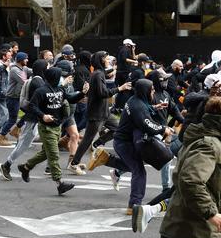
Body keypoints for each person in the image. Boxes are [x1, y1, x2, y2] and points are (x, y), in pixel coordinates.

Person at [156, 97, 221, 238]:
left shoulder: (207, 138)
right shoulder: (209, 144)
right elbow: (191, 181)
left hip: (177, 223)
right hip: (195, 228)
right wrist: (211, 214)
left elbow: (198, 181)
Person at [91, 79, 173, 214]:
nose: (153, 92)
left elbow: (142, 113)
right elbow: (148, 125)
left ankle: (105, 159)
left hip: (127, 142)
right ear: (145, 91)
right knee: (139, 172)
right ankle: (134, 205)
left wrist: (154, 108)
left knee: (134, 167)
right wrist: (164, 129)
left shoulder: (136, 101)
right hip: (124, 143)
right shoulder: (138, 106)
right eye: (151, 90)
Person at [17, 67, 89, 195]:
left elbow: (70, 98)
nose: (60, 78)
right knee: (54, 155)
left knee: (46, 153)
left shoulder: (59, 89)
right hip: (46, 128)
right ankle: (60, 183)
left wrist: (82, 93)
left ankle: (26, 167)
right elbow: (32, 106)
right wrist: (43, 115)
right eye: (58, 76)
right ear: (54, 77)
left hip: (57, 127)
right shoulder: (41, 91)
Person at [69, 51, 132, 169]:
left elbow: (104, 75)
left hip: (104, 112)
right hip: (96, 113)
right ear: (101, 60)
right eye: (107, 59)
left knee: (117, 128)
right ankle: (74, 163)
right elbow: (103, 93)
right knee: (87, 139)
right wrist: (120, 88)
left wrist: (112, 70)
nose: (109, 60)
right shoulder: (97, 75)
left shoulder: (100, 73)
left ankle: (97, 143)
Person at [0, 59, 48, 180]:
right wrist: (21, 122)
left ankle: (41, 167)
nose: (48, 68)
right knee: (23, 145)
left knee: (43, 144)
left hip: (36, 119)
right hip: (34, 119)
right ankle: (7, 165)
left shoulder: (38, 80)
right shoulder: (37, 82)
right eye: (46, 66)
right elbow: (34, 105)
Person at [55, 60, 87, 175]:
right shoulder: (58, 81)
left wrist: (80, 94)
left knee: (75, 135)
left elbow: (69, 95)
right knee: (52, 143)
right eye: (71, 68)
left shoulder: (67, 80)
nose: (73, 70)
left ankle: (72, 164)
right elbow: (59, 95)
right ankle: (49, 167)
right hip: (60, 114)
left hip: (69, 113)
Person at [0, 52, 30, 145]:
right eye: (26, 58)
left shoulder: (23, 68)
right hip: (12, 98)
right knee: (12, 118)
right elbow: (24, 81)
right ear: (20, 60)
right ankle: (1, 137)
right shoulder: (15, 70)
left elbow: (32, 70)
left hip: (19, 97)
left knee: (30, 112)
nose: (27, 60)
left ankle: (16, 129)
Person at [114, 39, 137, 109]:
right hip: (123, 72)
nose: (131, 47)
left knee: (121, 90)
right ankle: (122, 107)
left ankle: (118, 106)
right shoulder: (125, 49)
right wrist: (135, 62)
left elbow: (133, 57)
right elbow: (125, 59)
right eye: (131, 45)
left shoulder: (123, 49)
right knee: (125, 90)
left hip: (121, 72)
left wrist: (133, 50)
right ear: (128, 44)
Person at [73, 51, 92, 131]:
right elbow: (82, 85)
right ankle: (70, 135)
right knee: (83, 121)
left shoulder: (79, 68)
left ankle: (71, 136)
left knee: (78, 120)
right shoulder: (82, 70)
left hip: (79, 97)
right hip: (82, 98)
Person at [0, 48, 11, 145]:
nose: (11, 56)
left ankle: (1, 135)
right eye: (9, 55)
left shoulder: (8, 65)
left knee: (3, 115)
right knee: (5, 115)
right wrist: (3, 67)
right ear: (4, 56)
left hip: (5, 94)